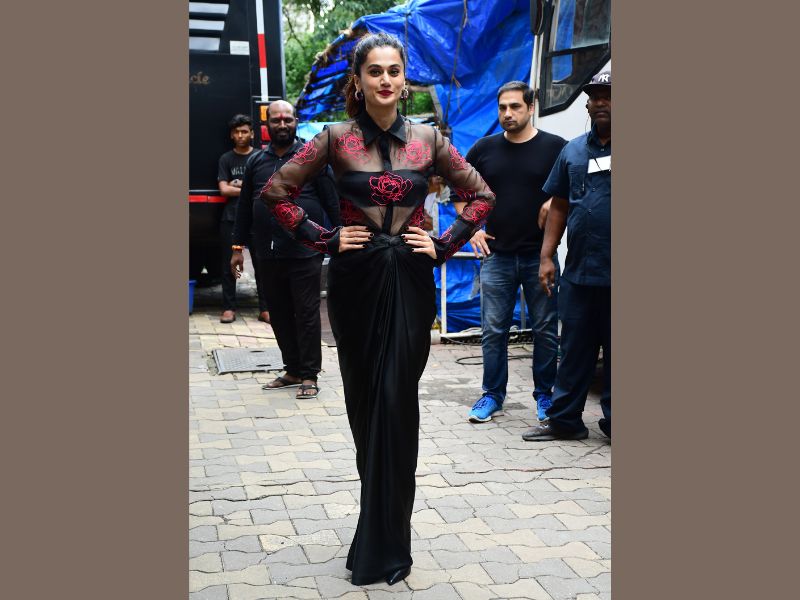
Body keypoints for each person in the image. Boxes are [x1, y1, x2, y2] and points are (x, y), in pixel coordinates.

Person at [259, 32, 495, 586]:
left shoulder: (429, 139)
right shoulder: (334, 138)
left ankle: (390, 541)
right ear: (359, 81)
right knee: (366, 402)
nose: (385, 80)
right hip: (355, 282)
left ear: (404, 80)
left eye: (394, 71)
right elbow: (275, 191)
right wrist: (323, 238)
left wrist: (443, 244)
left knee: (396, 400)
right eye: (375, 71)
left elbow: (482, 195)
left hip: (409, 281)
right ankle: (376, 529)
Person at [453, 81, 567, 424]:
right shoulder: (484, 149)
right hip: (497, 256)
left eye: (515, 106)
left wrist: (553, 200)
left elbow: (572, 191)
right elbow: (460, 193)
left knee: (545, 329)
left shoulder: (556, 148)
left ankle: (545, 395)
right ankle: (492, 395)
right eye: (502, 107)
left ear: (531, 107)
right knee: (493, 330)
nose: (508, 113)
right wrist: (472, 229)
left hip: (541, 257)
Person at [522, 70, 612, 442]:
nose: (601, 102)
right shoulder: (572, 151)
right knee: (573, 349)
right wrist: (546, 257)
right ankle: (564, 421)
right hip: (579, 273)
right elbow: (558, 205)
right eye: (594, 97)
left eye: (609, 95)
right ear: (587, 106)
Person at [231, 100, 340, 399]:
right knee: (278, 313)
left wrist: (342, 240)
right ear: (266, 124)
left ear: (295, 122)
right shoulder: (256, 161)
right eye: (276, 120)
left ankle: (309, 374)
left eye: (287, 119)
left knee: (306, 312)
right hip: (267, 253)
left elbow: (332, 202)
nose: (282, 124)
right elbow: (244, 207)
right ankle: (292, 369)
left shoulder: (312, 157)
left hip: (306, 250)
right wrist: (237, 247)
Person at [216, 114, 269, 324]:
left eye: (244, 131)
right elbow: (223, 189)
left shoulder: (260, 157)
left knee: (262, 264)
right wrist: (248, 188)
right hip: (231, 217)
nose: (240, 135)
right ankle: (229, 308)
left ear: (252, 134)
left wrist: (237, 185)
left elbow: (264, 188)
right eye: (237, 132)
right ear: (232, 134)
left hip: (257, 218)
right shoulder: (226, 159)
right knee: (229, 265)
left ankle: (265, 308)